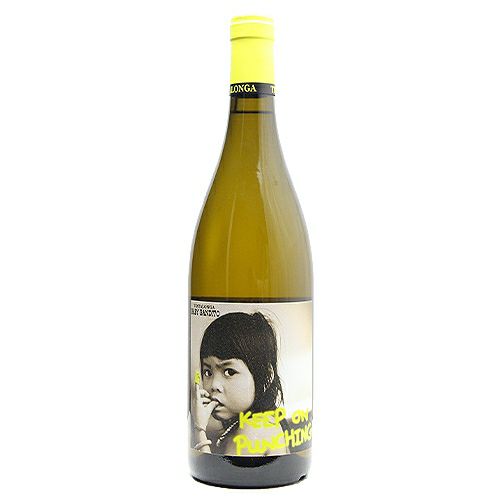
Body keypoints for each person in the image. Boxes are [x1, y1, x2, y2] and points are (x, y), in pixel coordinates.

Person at [191, 311, 290, 456]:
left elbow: (217, 470)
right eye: (208, 372)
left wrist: (199, 428)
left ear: (267, 376)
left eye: (229, 372)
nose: (213, 385)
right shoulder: (266, 421)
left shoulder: (251, 430)